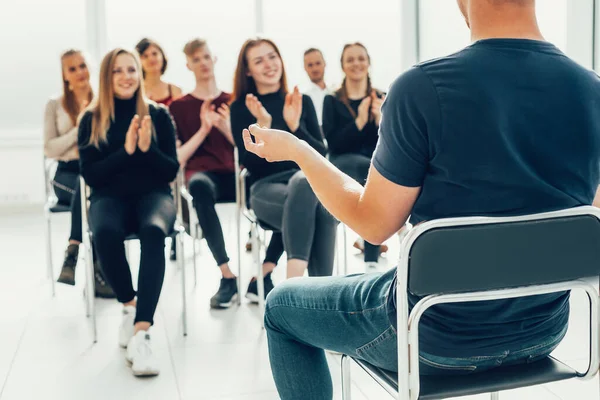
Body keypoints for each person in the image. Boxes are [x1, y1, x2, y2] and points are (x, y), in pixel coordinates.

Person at [241, 0, 600, 398]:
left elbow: (373, 223)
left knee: (281, 305)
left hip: (431, 336)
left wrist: (299, 151)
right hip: (543, 333)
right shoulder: (592, 91)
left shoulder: (423, 87)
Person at [78, 48, 179, 377]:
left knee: (153, 232)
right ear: (106, 77)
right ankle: (130, 305)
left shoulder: (159, 115)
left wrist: (149, 150)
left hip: (154, 195)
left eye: (131, 70)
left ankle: (141, 333)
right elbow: (91, 176)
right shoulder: (91, 119)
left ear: (140, 74)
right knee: (105, 233)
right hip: (110, 196)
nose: (126, 77)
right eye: (118, 71)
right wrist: (127, 151)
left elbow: (170, 171)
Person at [169, 38, 284, 307]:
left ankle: (264, 273)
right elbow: (178, 159)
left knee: (287, 190)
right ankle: (226, 275)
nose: (203, 63)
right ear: (188, 65)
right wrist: (204, 128)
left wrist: (224, 127)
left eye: (206, 57)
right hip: (204, 177)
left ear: (214, 59)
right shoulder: (178, 107)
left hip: (238, 176)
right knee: (197, 185)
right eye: (196, 59)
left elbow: (252, 147)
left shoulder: (236, 102)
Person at [230, 38, 337, 300]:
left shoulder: (301, 102)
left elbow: (320, 154)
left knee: (315, 200)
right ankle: (302, 293)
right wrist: (263, 126)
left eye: (272, 56)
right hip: (266, 189)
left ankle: (303, 300)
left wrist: (295, 127)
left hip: (307, 190)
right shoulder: (241, 108)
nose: (269, 64)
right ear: (248, 71)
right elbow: (251, 163)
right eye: (259, 60)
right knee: (307, 186)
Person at [44, 49, 115, 298]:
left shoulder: (104, 101)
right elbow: (50, 148)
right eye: (72, 69)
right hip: (66, 174)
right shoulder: (55, 105)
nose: (79, 73)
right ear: (65, 75)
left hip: (93, 170)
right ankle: (99, 271)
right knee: (86, 191)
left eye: (82, 66)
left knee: (91, 191)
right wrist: (79, 128)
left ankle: (74, 251)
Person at [322, 42, 387, 268]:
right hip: (342, 165)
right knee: (372, 174)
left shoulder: (381, 97)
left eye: (360, 58)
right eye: (350, 59)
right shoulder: (332, 100)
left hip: (374, 165)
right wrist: (359, 121)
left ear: (368, 63)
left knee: (375, 172)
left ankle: (372, 259)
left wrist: (380, 121)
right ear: (342, 66)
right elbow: (334, 143)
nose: (356, 64)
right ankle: (371, 258)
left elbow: (389, 144)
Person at [135, 38, 182, 107]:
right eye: (145, 56)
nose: (151, 58)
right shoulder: (135, 92)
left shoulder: (176, 91)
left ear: (162, 56)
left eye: (154, 54)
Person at [302, 48, 332, 127]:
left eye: (318, 63)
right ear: (305, 68)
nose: (314, 68)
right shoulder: (301, 97)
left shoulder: (336, 92)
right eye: (310, 65)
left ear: (324, 63)